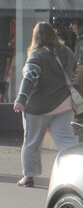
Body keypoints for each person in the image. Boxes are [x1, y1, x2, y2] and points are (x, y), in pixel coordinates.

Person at [13, 22, 78, 187]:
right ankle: (76, 173)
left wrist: (21, 98)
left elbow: (30, 77)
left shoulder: (37, 55)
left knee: (32, 143)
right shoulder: (68, 53)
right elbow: (75, 72)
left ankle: (29, 176)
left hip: (38, 108)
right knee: (66, 141)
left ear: (35, 37)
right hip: (64, 105)